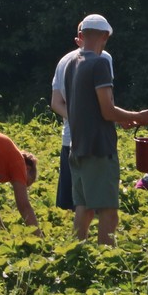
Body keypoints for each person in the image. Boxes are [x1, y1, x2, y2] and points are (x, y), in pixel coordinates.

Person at [63, 13, 148, 246]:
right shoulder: (100, 63)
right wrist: (138, 117)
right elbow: (106, 110)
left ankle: (76, 254)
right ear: (105, 36)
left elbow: (93, 107)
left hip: (78, 148)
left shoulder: (72, 64)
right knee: (108, 211)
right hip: (99, 149)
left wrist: (119, 117)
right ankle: (107, 263)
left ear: (82, 36)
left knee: (83, 208)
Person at [51, 22, 113, 211]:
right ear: (104, 36)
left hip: (71, 139)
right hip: (95, 142)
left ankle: (72, 239)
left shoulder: (65, 60)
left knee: (73, 202)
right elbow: (107, 105)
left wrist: (78, 119)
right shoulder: (103, 59)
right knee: (96, 204)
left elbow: (56, 104)